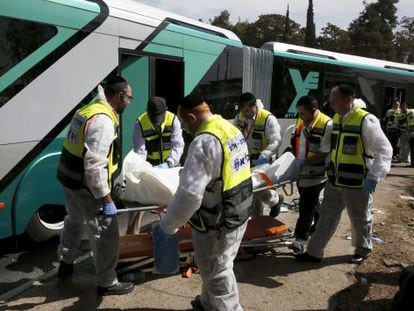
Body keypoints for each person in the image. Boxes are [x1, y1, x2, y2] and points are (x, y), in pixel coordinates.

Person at [159, 90, 253, 311]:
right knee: (216, 265)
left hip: (217, 220)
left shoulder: (204, 142)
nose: (185, 129)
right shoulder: (229, 129)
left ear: (191, 118)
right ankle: (208, 303)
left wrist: (168, 226)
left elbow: (189, 196)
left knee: (217, 269)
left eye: (184, 124)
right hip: (237, 211)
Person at [295, 84, 392, 264]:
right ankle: (314, 252)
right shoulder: (337, 118)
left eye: (335, 101)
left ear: (348, 101)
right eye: (330, 101)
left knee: (360, 218)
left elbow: (385, 150)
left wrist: (374, 177)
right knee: (326, 216)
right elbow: (332, 149)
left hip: (357, 183)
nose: (331, 105)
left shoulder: (366, 120)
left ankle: (363, 248)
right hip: (335, 180)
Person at [56, 76, 135, 296]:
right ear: (119, 96)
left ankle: (66, 261)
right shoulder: (103, 121)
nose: (129, 102)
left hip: (69, 180)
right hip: (85, 187)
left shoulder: (87, 109)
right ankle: (106, 282)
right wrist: (106, 199)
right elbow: (94, 167)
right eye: (129, 98)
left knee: (74, 220)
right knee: (105, 234)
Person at [291, 95, 332, 254]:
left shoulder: (327, 124)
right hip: (303, 172)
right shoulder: (303, 122)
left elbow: (324, 152)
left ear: (313, 110)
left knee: (305, 206)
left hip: (318, 173)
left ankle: (300, 240)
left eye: (303, 113)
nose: (300, 117)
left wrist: (306, 162)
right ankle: (320, 221)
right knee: (310, 203)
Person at [234, 92, 283, 217]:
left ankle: (274, 201)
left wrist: (264, 155)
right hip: (246, 157)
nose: (246, 114)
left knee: (255, 187)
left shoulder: (268, 118)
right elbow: (234, 135)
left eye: (248, 111)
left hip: (263, 158)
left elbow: (276, 140)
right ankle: (272, 203)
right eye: (243, 111)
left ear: (254, 106)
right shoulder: (239, 117)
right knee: (248, 188)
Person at [133, 96, 184, 168]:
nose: (157, 123)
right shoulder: (140, 124)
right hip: (150, 166)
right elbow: (140, 151)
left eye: (160, 119)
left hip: (171, 165)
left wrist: (169, 163)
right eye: (153, 119)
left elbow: (178, 145)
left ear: (166, 110)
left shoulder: (173, 120)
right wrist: (143, 167)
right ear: (147, 112)